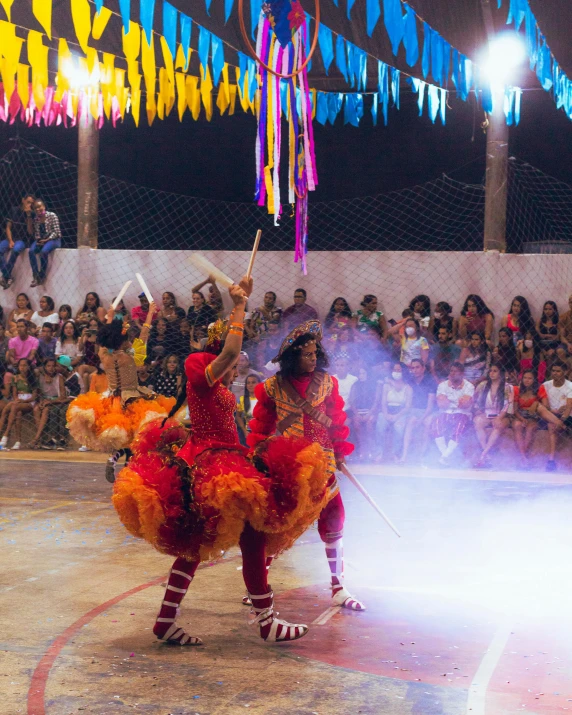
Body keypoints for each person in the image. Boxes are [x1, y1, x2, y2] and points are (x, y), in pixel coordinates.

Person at [113, 279, 332, 644]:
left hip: (228, 458)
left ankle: (168, 620)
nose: (235, 367)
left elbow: (231, 363)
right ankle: (266, 621)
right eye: (232, 358)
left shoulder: (216, 381)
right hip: (212, 465)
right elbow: (229, 354)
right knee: (248, 537)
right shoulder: (198, 365)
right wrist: (239, 306)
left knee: (200, 546)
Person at [248, 319, 364, 611]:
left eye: (315, 354)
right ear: (292, 357)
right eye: (307, 354)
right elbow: (261, 429)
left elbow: (336, 421)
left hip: (323, 464)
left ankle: (338, 586)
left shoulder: (328, 382)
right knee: (276, 526)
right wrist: (257, 460)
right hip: (289, 468)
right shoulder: (271, 387)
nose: (314, 358)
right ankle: (258, 586)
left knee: (335, 520)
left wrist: (339, 452)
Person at [67, 300, 174, 481]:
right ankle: (127, 468)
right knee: (133, 437)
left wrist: (109, 319)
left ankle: (114, 457)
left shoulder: (104, 355)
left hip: (112, 398)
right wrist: (150, 315)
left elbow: (105, 337)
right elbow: (145, 334)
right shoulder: (131, 356)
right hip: (133, 398)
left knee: (121, 435)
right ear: (122, 340)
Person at [512, 370, 561, 467]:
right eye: (525, 378)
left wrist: (536, 403)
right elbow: (515, 410)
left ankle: (522, 458)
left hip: (534, 416)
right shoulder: (517, 389)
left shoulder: (540, 388)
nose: (527, 380)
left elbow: (545, 406)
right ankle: (523, 458)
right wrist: (522, 419)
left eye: (530, 378)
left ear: (534, 380)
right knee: (517, 425)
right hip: (520, 415)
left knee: (530, 428)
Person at [433, 362, 475, 464]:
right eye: (451, 371)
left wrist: (449, 401)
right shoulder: (443, 385)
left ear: (462, 373)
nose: (452, 373)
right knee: (436, 425)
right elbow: (442, 404)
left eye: (455, 371)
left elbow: (464, 405)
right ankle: (445, 457)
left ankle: (444, 457)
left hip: (462, 413)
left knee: (458, 429)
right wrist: (457, 401)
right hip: (445, 412)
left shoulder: (469, 386)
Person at [473, 365, 514, 468]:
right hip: (486, 413)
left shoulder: (508, 387)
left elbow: (508, 405)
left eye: (495, 371)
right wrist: (478, 410)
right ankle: (486, 455)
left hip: (502, 414)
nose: (492, 373)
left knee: (498, 425)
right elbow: (476, 400)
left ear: (500, 373)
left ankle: (483, 455)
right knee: (477, 421)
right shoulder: (482, 385)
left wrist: (499, 417)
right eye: (490, 371)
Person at [399, 359, 436, 463]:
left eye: (417, 367)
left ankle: (422, 456)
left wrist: (421, 420)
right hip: (414, 411)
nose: (415, 370)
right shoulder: (410, 382)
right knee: (410, 422)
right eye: (413, 368)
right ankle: (404, 455)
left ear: (423, 368)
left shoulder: (430, 381)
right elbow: (409, 403)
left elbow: (430, 407)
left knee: (428, 423)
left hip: (427, 411)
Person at [375, 363, 412, 462]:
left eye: (399, 370)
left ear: (403, 371)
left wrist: (397, 416)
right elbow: (383, 403)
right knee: (380, 425)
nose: (396, 372)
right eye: (394, 370)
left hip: (401, 412)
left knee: (399, 428)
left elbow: (407, 407)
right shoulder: (386, 386)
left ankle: (395, 454)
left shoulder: (408, 388)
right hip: (387, 411)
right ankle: (379, 453)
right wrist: (386, 414)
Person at [539, 361, 572, 472]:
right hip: (550, 415)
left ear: (565, 372)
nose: (555, 373)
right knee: (547, 419)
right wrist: (552, 411)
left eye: (558, 371)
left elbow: (568, 408)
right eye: (553, 371)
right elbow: (545, 406)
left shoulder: (570, 386)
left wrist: (562, 420)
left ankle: (552, 460)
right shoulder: (546, 385)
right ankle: (551, 459)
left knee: (552, 424)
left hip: (565, 417)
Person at [29, 358, 69, 449]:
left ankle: (37, 438)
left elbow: (62, 396)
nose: (51, 368)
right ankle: (41, 437)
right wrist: (42, 401)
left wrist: (50, 401)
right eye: (48, 366)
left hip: (56, 401)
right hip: (44, 400)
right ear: (44, 367)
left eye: (53, 366)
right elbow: (34, 368)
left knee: (46, 410)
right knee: (36, 409)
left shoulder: (59, 377)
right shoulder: (40, 376)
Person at [0, 358, 38, 450]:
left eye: (25, 365)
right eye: (21, 365)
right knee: (13, 412)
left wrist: (22, 401)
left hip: (28, 401)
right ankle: (18, 441)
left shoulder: (33, 378)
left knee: (14, 406)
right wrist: (17, 399)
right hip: (19, 400)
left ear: (29, 367)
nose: (22, 367)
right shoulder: (15, 378)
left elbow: (34, 397)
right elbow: (14, 393)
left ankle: (5, 436)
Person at [0, 192, 35, 289]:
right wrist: (10, 240)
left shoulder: (32, 214)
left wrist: (28, 216)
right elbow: (8, 228)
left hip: (23, 239)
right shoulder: (14, 210)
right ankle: (7, 275)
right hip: (11, 237)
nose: (29, 205)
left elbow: (30, 232)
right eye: (28, 202)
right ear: (23, 200)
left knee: (16, 250)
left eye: (31, 203)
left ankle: (5, 276)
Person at [346, 367, 377, 459]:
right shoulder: (355, 385)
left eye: (363, 373)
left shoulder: (373, 385)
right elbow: (351, 401)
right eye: (360, 374)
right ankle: (362, 450)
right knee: (356, 424)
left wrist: (369, 414)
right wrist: (356, 413)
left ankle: (370, 449)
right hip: (358, 411)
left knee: (369, 424)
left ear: (367, 374)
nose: (361, 376)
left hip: (370, 411)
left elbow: (376, 401)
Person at [29, 199, 61, 287]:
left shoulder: (52, 215)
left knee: (44, 252)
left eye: (39, 207)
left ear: (44, 207)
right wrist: (39, 240)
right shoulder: (36, 219)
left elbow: (57, 232)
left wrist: (47, 240)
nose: (38, 209)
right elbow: (37, 233)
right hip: (42, 240)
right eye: (35, 208)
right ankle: (35, 275)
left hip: (54, 239)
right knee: (31, 251)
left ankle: (41, 276)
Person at [4, 319, 39, 393]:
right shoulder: (12, 341)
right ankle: (7, 396)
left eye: (22, 326)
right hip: (16, 364)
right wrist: (14, 362)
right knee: (7, 375)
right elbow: (11, 356)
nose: (19, 329)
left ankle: (34, 394)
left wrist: (25, 364)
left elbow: (32, 355)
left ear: (27, 328)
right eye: (18, 327)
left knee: (36, 371)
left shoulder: (34, 340)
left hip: (29, 364)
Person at [236, 373, 262, 442]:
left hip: (262, 433)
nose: (250, 385)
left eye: (253, 382)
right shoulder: (241, 399)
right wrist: (244, 431)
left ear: (259, 384)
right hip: (248, 433)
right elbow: (238, 417)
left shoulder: (264, 399)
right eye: (248, 383)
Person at [77, 318, 100, 391]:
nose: (93, 327)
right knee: (85, 375)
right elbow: (80, 348)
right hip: (88, 364)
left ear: (98, 327)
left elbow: (97, 353)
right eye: (91, 325)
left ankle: (76, 385)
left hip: (97, 365)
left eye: (95, 325)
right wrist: (83, 335)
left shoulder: (100, 338)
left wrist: (96, 339)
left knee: (82, 367)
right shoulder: (87, 337)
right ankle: (85, 394)